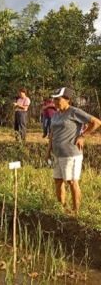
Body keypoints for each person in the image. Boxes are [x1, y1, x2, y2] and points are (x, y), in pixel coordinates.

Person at [45, 87, 101, 215]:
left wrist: (82, 136)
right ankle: (62, 207)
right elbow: (52, 134)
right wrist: (48, 152)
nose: (55, 102)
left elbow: (96, 122)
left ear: (68, 99)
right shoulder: (55, 115)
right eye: (54, 99)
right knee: (58, 180)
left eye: (58, 99)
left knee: (71, 181)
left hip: (71, 153)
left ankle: (75, 211)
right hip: (58, 153)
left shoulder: (74, 112)